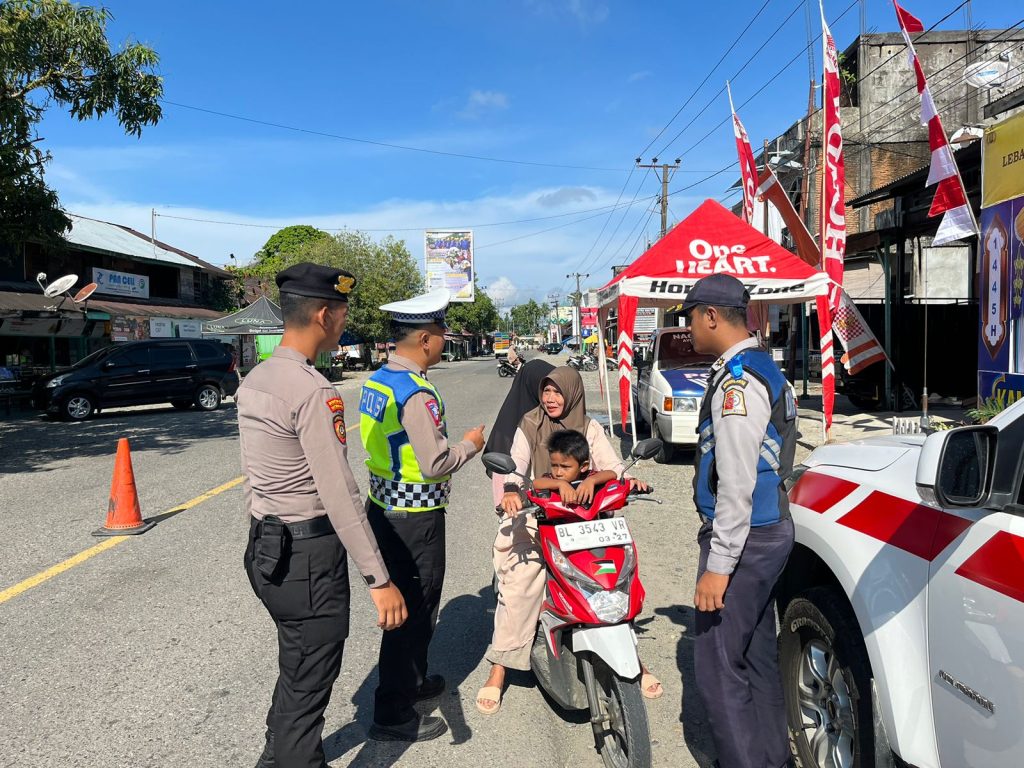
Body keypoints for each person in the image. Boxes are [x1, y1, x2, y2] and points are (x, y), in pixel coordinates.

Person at [238, 263, 407, 768]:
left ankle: (281, 755)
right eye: (342, 313)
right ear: (324, 314)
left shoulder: (257, 378)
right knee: (310, 680)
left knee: (297, 670)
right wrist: (379, 578)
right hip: (308, 556)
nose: (343, 323)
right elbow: (338, 493)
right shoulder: (314, 389)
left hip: (266, 546)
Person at [476, 366, 658, 714]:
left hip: (585, 520)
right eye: (546, 391)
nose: (550, 398)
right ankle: (501, 664)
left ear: (572, 393)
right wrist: (514, 491)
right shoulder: (530, 423)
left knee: (614, 576)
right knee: (522, 581)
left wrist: (615, 480)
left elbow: (612, 465)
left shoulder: (589, 426)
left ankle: (632, 657)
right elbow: (515, 467)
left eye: (557, 392)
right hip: (537, 514)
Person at [359, 287, 486, 742]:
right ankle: (392, 711)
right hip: (415, 516)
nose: (443, 342)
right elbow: (434, 464)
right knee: (413, 612)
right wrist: (471, 444)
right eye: (440, 335)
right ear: (427, 338)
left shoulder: (379, 379)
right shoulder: (415, 392)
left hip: (383, 506)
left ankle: (412, 681)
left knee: (413, 608)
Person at [684, 273, 797, 768]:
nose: (688, 329)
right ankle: (772, 758)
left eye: (690, 318)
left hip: (745, 539)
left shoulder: (737, 382)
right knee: (755, 657)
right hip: (768, 532)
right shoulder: (760, 367)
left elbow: (736, 483)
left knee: (716, 666)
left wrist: (719, 564)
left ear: (712, 316)